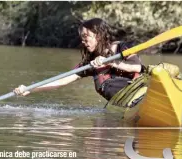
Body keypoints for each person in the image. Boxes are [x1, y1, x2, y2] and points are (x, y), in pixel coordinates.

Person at [14, 18, 144, 101]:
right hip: (122, 101)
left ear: (99, 35)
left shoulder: (121, 47)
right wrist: (29, 89)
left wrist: (110, 62)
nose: (83, 41)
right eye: (82, 38)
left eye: (86, 37)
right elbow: (62, 80)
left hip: (139, 91)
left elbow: (137, 67)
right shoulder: (89, 64)